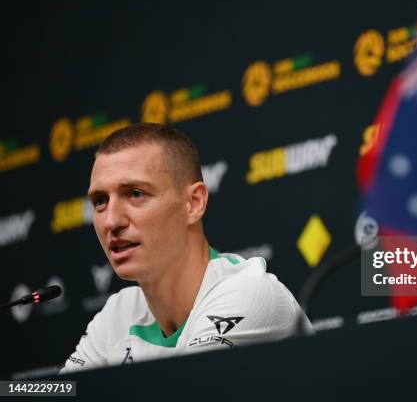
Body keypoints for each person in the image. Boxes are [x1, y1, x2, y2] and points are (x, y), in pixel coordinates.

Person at [60, 123, 313, 373]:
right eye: (101, 201)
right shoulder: (118, 313)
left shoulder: (247, 291)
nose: (111, 221)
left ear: (193, 203)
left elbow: (184, 391)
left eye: (135, 193)